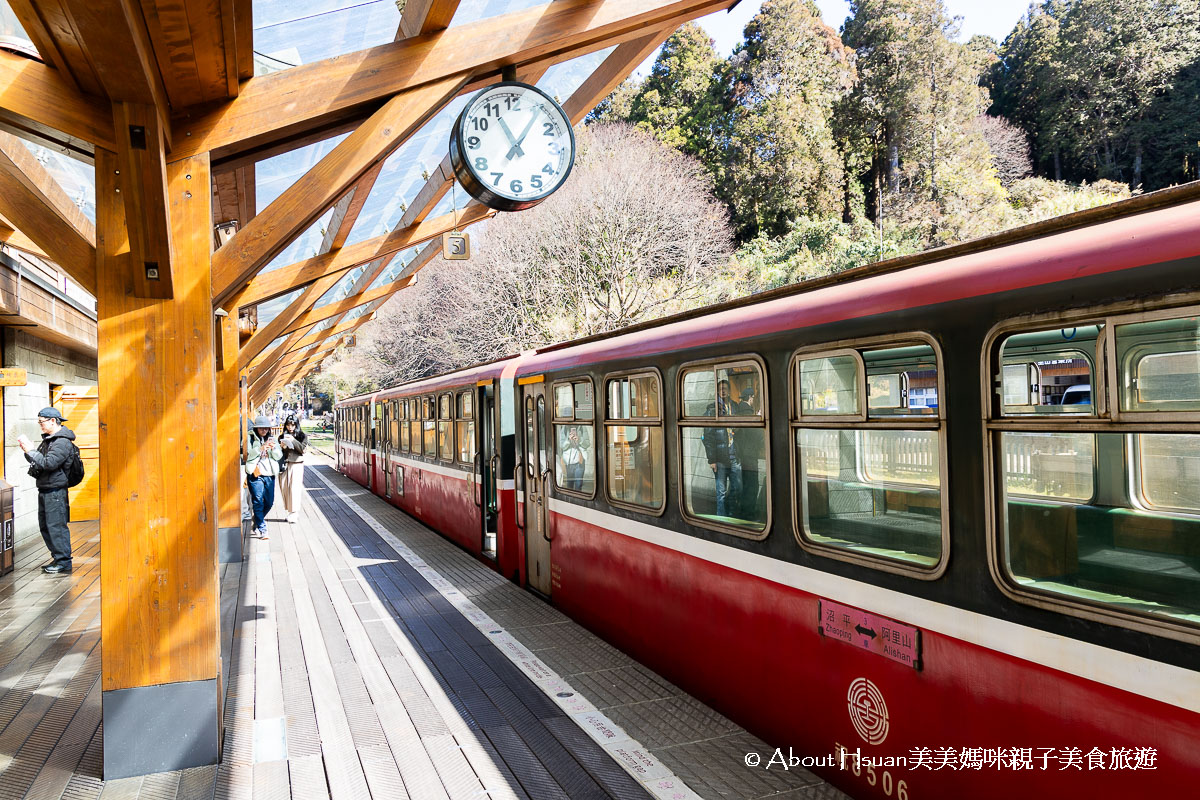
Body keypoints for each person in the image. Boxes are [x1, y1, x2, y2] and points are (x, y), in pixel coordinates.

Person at [17, 407, 77, 574]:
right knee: (46, 526)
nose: (40, 425)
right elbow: (41, 462)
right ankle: (58, 558)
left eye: (42, 422)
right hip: (47, 489)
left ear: (53, 421)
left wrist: (31, 451)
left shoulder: (62, 442)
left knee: (56, 526)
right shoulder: (51, 440)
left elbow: (49, 464)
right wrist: (28, 451)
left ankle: (64, 562)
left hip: (55, 492)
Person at [702, 380, 741, 518]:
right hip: (720, 458)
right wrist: (712, 459)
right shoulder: (712, 409)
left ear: (729, 391)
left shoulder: (734, 406)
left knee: (737, 488)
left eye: (725, 388)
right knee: (721, 492)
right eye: (720, 389)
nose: (723, 391)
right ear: (717, 391)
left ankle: (730, 515)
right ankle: (721, 519)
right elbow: (707, 436)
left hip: (734, 455)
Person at [245, 416, 281, 538]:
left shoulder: (272, 439)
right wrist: (260, 449)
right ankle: (262, 528)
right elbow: (247, 455)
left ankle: (257, 520)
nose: (264, 431)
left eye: (266, 428)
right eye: (262, 428)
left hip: (269, 474)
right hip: (255, 473)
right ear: (256, 428)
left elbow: (278, 456)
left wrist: (274, 449)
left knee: (269, 502)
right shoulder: (250, 438)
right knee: (258, 501)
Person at [735, 383, 766, 523]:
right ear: (750, 398)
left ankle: (743, 512)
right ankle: (748, 515)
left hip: (740, 455)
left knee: (745, 484)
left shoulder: (738, 413)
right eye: (753, 397)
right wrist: (759, 420)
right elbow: (758, 435)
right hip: (750, 455)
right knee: (752, 486)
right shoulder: (748, 414)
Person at [278, 414, 308, 523]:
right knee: (284, 487)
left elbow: (302, 449)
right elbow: (278, 452)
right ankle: (290, 511)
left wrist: (293, 440)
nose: (290, 427)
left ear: (296, 425)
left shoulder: (302, 436)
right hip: (284, 465)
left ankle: (294, 513)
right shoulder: (282, 436)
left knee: (294, 488)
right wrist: (282, 447)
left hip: (296, 464)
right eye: (288, 425)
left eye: (292, 425)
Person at [558, 425, 587, 492]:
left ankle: (578, 501)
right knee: (569, 486)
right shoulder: (565, 428)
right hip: (569, 462)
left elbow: (587, 444)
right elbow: (562, 446)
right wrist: (568, 440)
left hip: (580, 462)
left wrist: (579, 440)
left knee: (578, 486)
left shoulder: (582, 427)